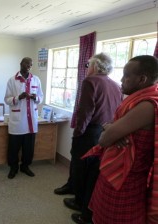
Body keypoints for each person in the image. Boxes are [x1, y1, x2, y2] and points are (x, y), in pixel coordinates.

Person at [83, 55, 158, 224]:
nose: (121, 80)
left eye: (126, 76)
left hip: (126, 180)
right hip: (117, 173)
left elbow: (103, 140)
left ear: (142, 79)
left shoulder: (146, 106)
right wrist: (111, 128)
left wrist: (110, 130)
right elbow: (109, 126)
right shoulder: (137, 100)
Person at [60, 53, 123, 224]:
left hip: (89, 131)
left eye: (88, 65)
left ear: (95, 66)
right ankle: (85, 202)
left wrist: (78, 133)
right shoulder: (116, 84)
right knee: (93, 170)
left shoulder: (90, 82)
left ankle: (79, 203)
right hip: (105, 131)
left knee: (81, 168)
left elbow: (85, 111)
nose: (87, 69)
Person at [4, 57, 44, 179]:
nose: (29, 66)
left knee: (29, 148)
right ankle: (13, 167)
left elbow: (41, 97)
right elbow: (7, 99)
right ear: (21, 63)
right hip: (18, 120)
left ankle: (25, 166)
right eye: (27, 63)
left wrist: (35, 97)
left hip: (31, 119)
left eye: (31, 64)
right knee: (14, 147)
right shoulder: (12, 80)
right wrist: (18, 97)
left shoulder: (36, 80)